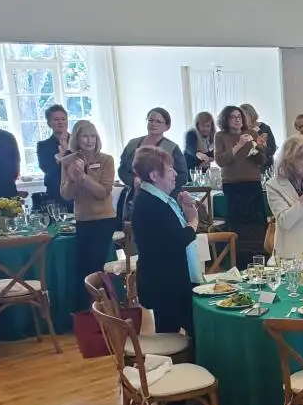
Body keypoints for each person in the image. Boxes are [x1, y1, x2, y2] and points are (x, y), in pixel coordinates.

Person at [129, 146, 201, 337]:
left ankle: (185, 363)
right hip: (165, 285)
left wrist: (186, 214)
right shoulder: (151, 204)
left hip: (168, 281)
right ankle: (182, 364)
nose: (175, 173)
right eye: (170, 170)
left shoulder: (157, 199)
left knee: (190, 327)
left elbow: (169, 235)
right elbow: (178, 240)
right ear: (154, 175)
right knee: (188, 330)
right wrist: (193, 222)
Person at [59, 121, 116, 306]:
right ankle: (85, 311)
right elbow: (66, 195)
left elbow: (103, 192)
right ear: (76, 139)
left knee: (94, 264)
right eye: (85, 136)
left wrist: (83, 177)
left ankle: (102, 308)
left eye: (93, 136)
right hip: (82, 219)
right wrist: (73, 179)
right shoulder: (68, 161)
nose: (89, 140)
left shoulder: (106, 160)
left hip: (103, 219)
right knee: (82, 266)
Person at [215, 105, 270, 266]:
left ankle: (260, 258)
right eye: (233, 117)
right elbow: (221, 160)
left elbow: (261, 161)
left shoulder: (252, 133)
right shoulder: (221, 136)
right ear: (226, 119)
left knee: (257, 223)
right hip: (233, 185)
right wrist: (238, 145)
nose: (237, 119)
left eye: (239, 116)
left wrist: (259, 147)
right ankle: (239, 261)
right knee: (238, 223)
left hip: (253, 183)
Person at [118, 107, 187, 219]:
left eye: (158, 121)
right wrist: (133, 180)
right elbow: (122, 170)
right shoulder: (132, 144)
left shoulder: (172, 148)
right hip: (135, 196)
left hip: (163, 198)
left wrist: (162, 185)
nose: (153, 124)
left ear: (167, 126)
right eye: (150, 120)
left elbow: (182, 176)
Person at [36, 104, 72, 211]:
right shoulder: (43, 145)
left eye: (63, 119)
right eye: (56, 119)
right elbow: (46, 168)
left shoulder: (78, 142)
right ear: (49, 123)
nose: (60, 122)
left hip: (77, 192)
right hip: (55, 191)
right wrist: (61, 155)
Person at [240, 104, 277, 171]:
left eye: (244, 116)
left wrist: (263, 146)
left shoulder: (264, 128)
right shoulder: (241, 131)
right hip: (247, 168)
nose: (242, 119)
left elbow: (272, 149)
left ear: (251, 114)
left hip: (264, 167)